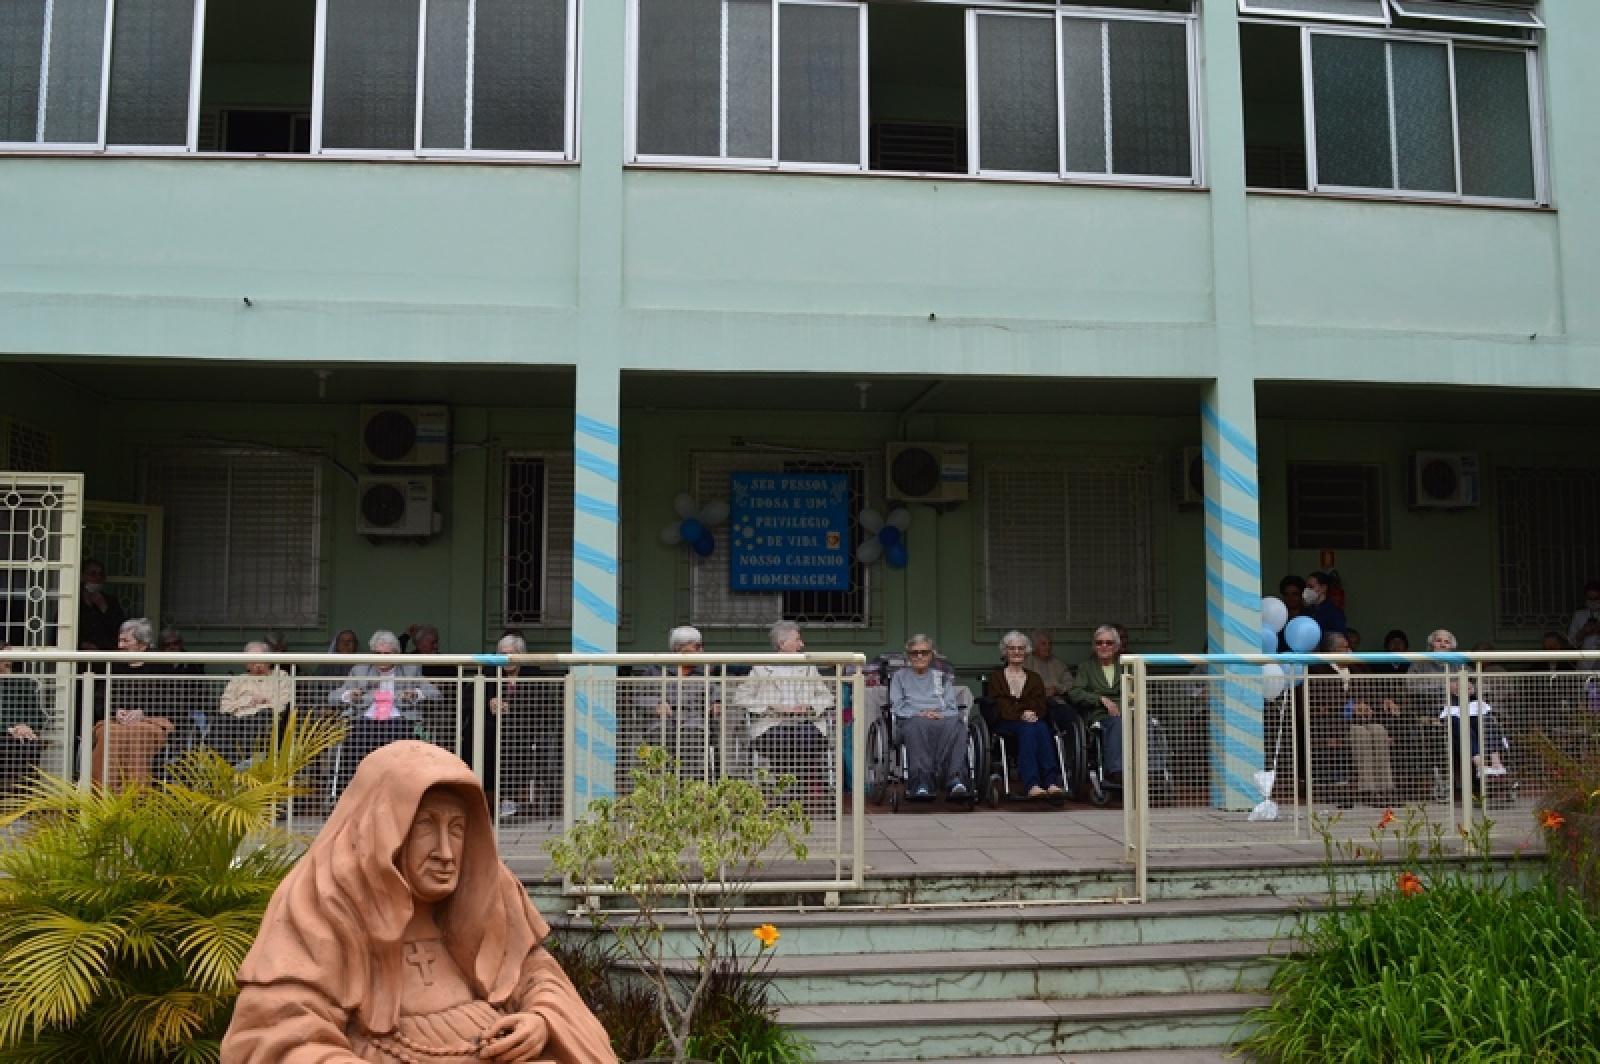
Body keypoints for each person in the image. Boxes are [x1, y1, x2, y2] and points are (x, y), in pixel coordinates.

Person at [221, 741, 616, 1063]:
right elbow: (276, 1033)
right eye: (426, 825)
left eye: (458, 829)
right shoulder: (323, 900)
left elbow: (538, 974)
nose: (446, 852)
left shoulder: (489, 889)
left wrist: (541, 1021)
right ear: (384, 827)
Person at [333, 630, 442, 797]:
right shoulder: (360, 670)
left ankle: (399, 794)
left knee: (401, 742)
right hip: (366, 721)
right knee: (356, 740)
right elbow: (333, 696)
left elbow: (436, 694)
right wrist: (349, 695)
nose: (381, 657)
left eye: (387, 653)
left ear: (397, 654)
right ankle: (357, 795)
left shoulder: (410, 669)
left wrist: (416, 693)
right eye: (377, 653)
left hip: (399, 720)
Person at [735, 621, 834, 804]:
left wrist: (809, 706)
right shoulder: (761, 669)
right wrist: (771, 705)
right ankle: (790, 792)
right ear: (782, 644)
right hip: (771, 725)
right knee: (784, 738)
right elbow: (741, 697)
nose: (802, 644)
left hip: (805, 723)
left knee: (805, 737)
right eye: (797, 640)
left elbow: (826, 697)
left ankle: (792, 793)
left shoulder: (809, 668)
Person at [487, 633, 561, 820]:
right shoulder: (489, 673)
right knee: (484, 737)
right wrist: (490, 702)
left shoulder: (534, 675)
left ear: (522, 655)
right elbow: (471, 698)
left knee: (514, 742)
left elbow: (545, 707)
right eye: (503, 654)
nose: (507, 659)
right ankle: (489, 796)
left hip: (526, 729)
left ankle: (509, 798)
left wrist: (512, 707)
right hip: (494, 728)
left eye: (512, 654)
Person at [633, 625, 719, 782]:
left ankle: (687, 787)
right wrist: (656, 704)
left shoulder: (703, 672)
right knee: (662, 733)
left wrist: (715, 704)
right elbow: (638, 697)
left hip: (693, 721)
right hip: (663, 721)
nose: (702, 651)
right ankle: (662, 788)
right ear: (681, 648)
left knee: (692, 734)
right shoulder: (657, 670)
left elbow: (715, 694)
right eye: (697, 647)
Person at [890, 634, 968, 801]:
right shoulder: (899, 677)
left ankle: (955, 779)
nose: (919, 656)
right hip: (913, 719)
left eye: (924, 652)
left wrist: (939, 715)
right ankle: (921, 783)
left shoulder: (941, 676)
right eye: (915, 652)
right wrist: (919, 713)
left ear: (931, 655)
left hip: (940, 718)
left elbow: (952, 707)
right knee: (918, 724)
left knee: (958, 724)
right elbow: (897, 706)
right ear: (908, 655)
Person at [986, 631, 1062, 798]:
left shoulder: (1034, 678)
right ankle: (1032, 784)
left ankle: (1050, 782)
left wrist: (1030, 713)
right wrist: (1021, 713)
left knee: (1042, 727)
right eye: (1012, 648)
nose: (1016, 652)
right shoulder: (996, 677)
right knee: (1029, 729)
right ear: (1005, 652)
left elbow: (1041, 704)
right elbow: (999, 704)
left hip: (1031, 719)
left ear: (1026, 651)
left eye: (1020, 648)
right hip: (1005, 721)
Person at [215, 641, 294, 764]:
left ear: (269, 660)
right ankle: (228, 766)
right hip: (238, 721)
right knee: (221, 722)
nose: (257, 665)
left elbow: (284, 703)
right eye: (252, 661)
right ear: (246, 664)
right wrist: (248, 702)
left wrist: (264, 705)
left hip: (266, 720)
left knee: (264, 716)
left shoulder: (281, 676)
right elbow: (224, 707)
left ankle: (248, 762)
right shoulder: (237, 680)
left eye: (260, 660)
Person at [1067, 626, 1126, 786]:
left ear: (1116, 646)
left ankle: (1154, 772)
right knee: (1117, 723)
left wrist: (1123, 706)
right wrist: (1100, 699)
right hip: (1101, 715)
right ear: (1094, 646)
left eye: (1108, 642)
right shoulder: (1086, 667)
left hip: (1128, 711)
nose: (1104, 646)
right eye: (1099, 643)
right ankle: (1115, 772)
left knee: (1147, 722)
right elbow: (1075, 693)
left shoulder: (1127, 665)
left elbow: (1139, 690)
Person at [0, 645, 43, 792]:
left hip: (20, 737)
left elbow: (38, 715)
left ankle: (24, 801)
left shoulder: (23, 682)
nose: (7, 661)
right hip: (5, 733)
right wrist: (8, 728)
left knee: (30, 744)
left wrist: (26, 726)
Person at [78, 558, 126, 652]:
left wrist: (104, 608)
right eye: (93, 574)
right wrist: (81, 644)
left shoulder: (111, 602)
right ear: (83, 576)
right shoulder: (74, 603)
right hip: (80, 659)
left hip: (106, 657)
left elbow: (121, 630)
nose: (98, 578)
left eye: (101, 574)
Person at [1023, 629, 1071, 699]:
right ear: (1034, 646)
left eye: (1050, 643)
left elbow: (1070, 683)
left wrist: (1057, 689)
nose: (1048, 647)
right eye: (1043, 644)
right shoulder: (1026, 663)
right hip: (1033, 701)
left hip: (1055, 700)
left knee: (1068, 710)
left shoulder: (1058, 663)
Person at [1302, 571, 1347, 637]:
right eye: (1306, 587)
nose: (1307, 590)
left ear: (1323, 588)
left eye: (1311, 587)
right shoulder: (1307, 611)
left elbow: (1339, 639)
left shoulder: (1334, 613)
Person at [1567, 580, 1600, 651]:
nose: (1593, 601)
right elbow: (1571, 642)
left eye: (1596, 598)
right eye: (1590, 599)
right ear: (1585, 598)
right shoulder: (1578, 615)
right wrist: (1583, 632)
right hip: (1585, 659)